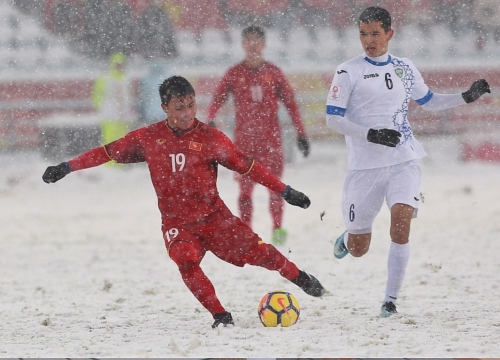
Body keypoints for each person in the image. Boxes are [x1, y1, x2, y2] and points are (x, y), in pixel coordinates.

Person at [42, 76, 325, 328]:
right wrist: (67, 167)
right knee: (185, 259)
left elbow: (248, 166)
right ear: (165, 107)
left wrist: (285, 190)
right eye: (180, 107)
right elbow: (106, 152)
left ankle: (301, 277)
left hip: (215, 218)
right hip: (177, 222)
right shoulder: (148, 138)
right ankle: (220, 316)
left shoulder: (211, 138)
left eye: (191, 105)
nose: (188, 113)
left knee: (263, 255)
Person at [325, 6, 490, 318]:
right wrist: (370, 133)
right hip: (364, 168)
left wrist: (465, 96)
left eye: (375, 33)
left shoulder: (405, 67)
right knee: (360, 248)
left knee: (400, 222)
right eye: (363, 33)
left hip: (404, 157)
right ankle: (348, 238)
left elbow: (429, 102)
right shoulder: (348, 71)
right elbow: (333, 119)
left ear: (390, 33)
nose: (368, 40)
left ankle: (390, 300)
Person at [206, 25, 310, 245]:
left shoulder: (273, 73)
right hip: (244, 142)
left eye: (257, 41)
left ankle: (278, 229)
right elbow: (218, 99)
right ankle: (246, 232)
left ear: (264, 44)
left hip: (270, 140)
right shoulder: (235, 73)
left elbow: (291, 103)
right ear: (243, 44)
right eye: (248, 40)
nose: (253, 45)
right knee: (244, 190)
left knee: (275, 187)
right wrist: (212, 119)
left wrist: (301, 132)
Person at [92, 52, 135, 147]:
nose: (119, 67)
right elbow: (96, 96)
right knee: (109, 139)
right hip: (110, 115)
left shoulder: (126, 79)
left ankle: (120, 161)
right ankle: (110, 161)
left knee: (123, 140)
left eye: (121, 64)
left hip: (124, 116)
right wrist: (103, 107)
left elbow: (129, 97)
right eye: (117, 64)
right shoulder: (105, 79)